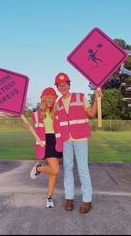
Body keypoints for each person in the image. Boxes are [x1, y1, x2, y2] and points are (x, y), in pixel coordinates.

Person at [54, 72, 103, 214]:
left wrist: (96, 99)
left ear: (69, 85)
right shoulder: (58, 104)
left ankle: (87, 200)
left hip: (80, 138)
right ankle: (69, 198)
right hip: (66, 141)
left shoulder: (80, 97)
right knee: (68, 168)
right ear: (57, 87)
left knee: (83, 169)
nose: (62, 87)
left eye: (64, 85)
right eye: (59, 85)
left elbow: (92, 113)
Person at [29, 87, 63, 208]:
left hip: (58, 142)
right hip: (46, 142)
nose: (51, 100)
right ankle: (38, 169)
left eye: (53, 98)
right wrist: (27, 124)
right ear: (44, 98)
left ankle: (49, 197)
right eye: (49, 98)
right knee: (55, 169)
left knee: (54, 174)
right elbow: (34, 128)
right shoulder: (36, 114)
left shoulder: (58, 111)